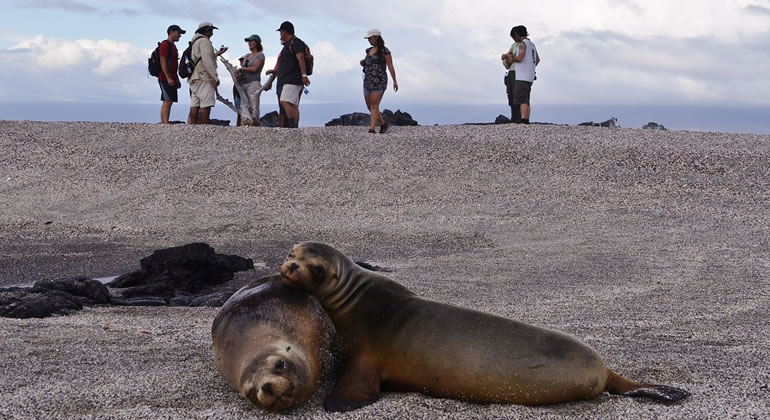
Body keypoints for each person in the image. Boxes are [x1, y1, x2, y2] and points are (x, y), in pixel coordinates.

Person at [187, 22, 227, 125]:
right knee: (206, 104)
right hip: (203, 77)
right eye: (211, 30)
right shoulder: (205, 42)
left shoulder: (195, 41)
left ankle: (192, 127)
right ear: (206, 31)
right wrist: (215, 77)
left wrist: (216, 54)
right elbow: (207, 60)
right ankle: (204, 128)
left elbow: (200, 58)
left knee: (194, 104)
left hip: (194, 77)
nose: (212, 33)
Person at [360, 29, 398, 134]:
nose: (369, 40)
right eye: (368, 39)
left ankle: (371, 129)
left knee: (374, 104)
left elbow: (390, 65)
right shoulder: (368, 50)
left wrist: (395, 81)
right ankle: (383, 124)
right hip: (367, 80)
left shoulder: (385, 51)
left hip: (379, 81)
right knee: (369, 106)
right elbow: (369, 62)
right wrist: (363, 62)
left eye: (370, 38)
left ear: (376, 38)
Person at [275, 21, 310, 128]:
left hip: (292, 79)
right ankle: (294, 126)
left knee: (284, 101)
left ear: (284, 31)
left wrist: (304, 75)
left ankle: (291, 125)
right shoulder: (288, 44)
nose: (280, 34)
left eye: (281, 31)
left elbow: (301, 59)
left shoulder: (296, 43)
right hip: (288, 78)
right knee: (293, 104)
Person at [511, 25, 540, 124]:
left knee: (522, 99)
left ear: (517, 34)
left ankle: (523, 120)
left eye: (514, 37)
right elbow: (537, 59)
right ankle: (526, 119)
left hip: (522, 76)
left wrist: (510, 58)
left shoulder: (522, 44)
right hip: (530, 76)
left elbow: (519, 58)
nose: (514, 40)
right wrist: (531, 67)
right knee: (526, 99)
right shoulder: (532, 44)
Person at [158, 24, 185, 124]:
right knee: (167, 100)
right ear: (172, 32)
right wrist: (168, 77)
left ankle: (164, 122)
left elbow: (173, 64)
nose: (180, 35)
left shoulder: (173, 46)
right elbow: (163, 61)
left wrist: (176, 78)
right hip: (165, 77)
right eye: (179, 33)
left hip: (171, 77)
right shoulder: (165, 45)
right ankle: (165, 123)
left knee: (169, 100)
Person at [236, 34, 266, 125]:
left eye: (251, 41)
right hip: (243, 83)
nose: (249, 43)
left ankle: (256, 126)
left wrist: (242, 69)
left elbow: (254, 69)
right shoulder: (247, 56)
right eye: (248, 41)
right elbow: (243, 68)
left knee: (254, 107)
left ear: (257, 43)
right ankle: (246, 126)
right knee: (244, 108)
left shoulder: (260, 55)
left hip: (253, 83)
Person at [501, 27, 521, 123]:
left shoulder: (524, 45)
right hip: (511, 72)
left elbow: (520, 58)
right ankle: (514, 118)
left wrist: (511, 57)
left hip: (519, 72)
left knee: (518, 96)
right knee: (511, 95)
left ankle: (520, 118)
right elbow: (508, 54)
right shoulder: (514, 45)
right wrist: (505, 56)